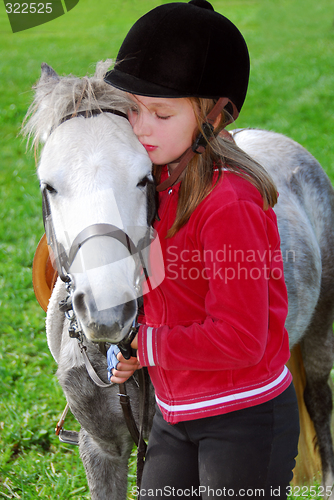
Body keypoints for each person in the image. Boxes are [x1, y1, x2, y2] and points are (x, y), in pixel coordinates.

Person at [104, 1, 300, 498]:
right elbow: (161, 291)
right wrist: (136, 344)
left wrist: (148, 347)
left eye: (161, 113)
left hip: (244, 416)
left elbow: (240, 338)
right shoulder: (155, 188)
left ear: (215, 113)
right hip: (177, 411)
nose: (140, 126)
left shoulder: (230, 202)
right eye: (131, 108)